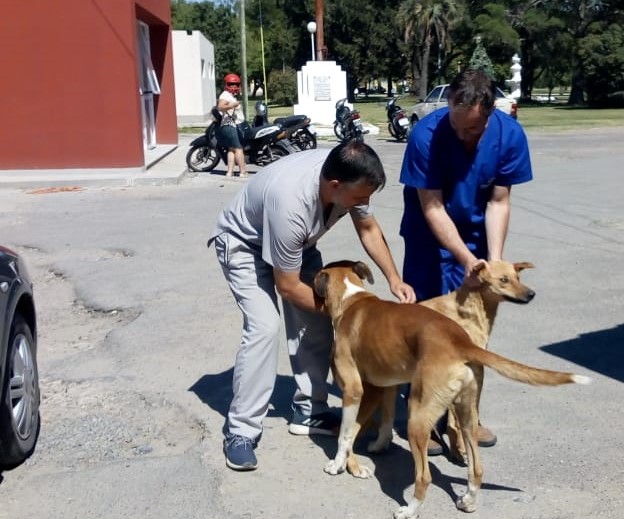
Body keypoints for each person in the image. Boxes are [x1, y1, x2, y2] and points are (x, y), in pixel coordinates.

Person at [209, 140, 416, 471]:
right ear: (334, 186)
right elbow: (288, 287)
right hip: (244, 244)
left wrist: (394, 279)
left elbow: (368, 227)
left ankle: (310, 411)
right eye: (360, 198)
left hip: (297, 245)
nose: (364, 203)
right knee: (265, 327)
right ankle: (241, 432)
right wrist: (348, 314)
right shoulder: (291, 203)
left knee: (318, 321)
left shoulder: (350, 176)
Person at [398, 69, 533, 453]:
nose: (462, 136)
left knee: (471, 336)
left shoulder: (509, 135)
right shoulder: (426, 135)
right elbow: (432, 205)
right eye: (457, 127)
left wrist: (491, 263)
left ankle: (464, 420)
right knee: (428, 331)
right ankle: (426, 416)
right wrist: (465, 259)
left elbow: (499, 201)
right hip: (429, 240)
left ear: (489, 114)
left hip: (477, 235)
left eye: (471, 131)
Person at [216, 73, 248, 178]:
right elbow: (220, 107)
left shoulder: (230, 95)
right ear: (226, 84)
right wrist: (233, 104)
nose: (234, 87)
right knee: (238, 148)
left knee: (231, 149)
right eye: (231, 84)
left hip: (228, 126)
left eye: (236, 84)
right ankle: (243, 171)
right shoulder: (225, 95)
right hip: (230, 125)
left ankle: (229, 172)